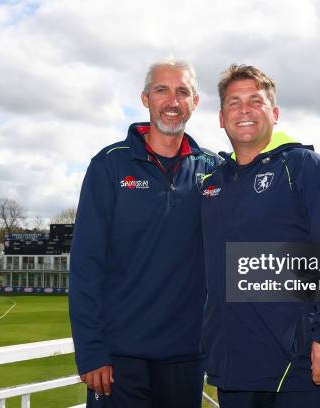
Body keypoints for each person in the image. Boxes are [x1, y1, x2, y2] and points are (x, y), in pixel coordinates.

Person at [200, 64, 320, 407]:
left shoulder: (305, 167)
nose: (244, 109)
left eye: (255, 100)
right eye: (234, 102)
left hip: (300, 369)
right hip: (234, 371)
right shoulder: (211, 186)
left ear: (274, 113)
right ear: (221, 118)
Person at [69, 59, 220, 407]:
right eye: (161, 90)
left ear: (195, 103)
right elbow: (85, 266)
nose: (172, 100)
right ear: (145, 98)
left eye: (182, 92)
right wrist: (91, 351)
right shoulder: (109, 165)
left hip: (186, 355)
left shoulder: (214, 170)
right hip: (120, 358)